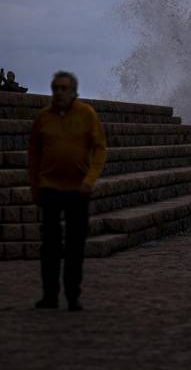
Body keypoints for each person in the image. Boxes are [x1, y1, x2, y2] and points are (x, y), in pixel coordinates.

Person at [27, 71, 107, 311]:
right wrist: (35, 188)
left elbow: (100, 149)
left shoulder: (87, 115)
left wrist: (90, 180)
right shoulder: (43, 117)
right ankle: (49, 295)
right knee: (50, 245)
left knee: (75, 245)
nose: (59, 93)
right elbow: (34, 156)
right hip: (50, 188)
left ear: (74, 91)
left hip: (78, 190)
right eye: (55, 88)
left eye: (64, 88)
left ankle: (73, 295)